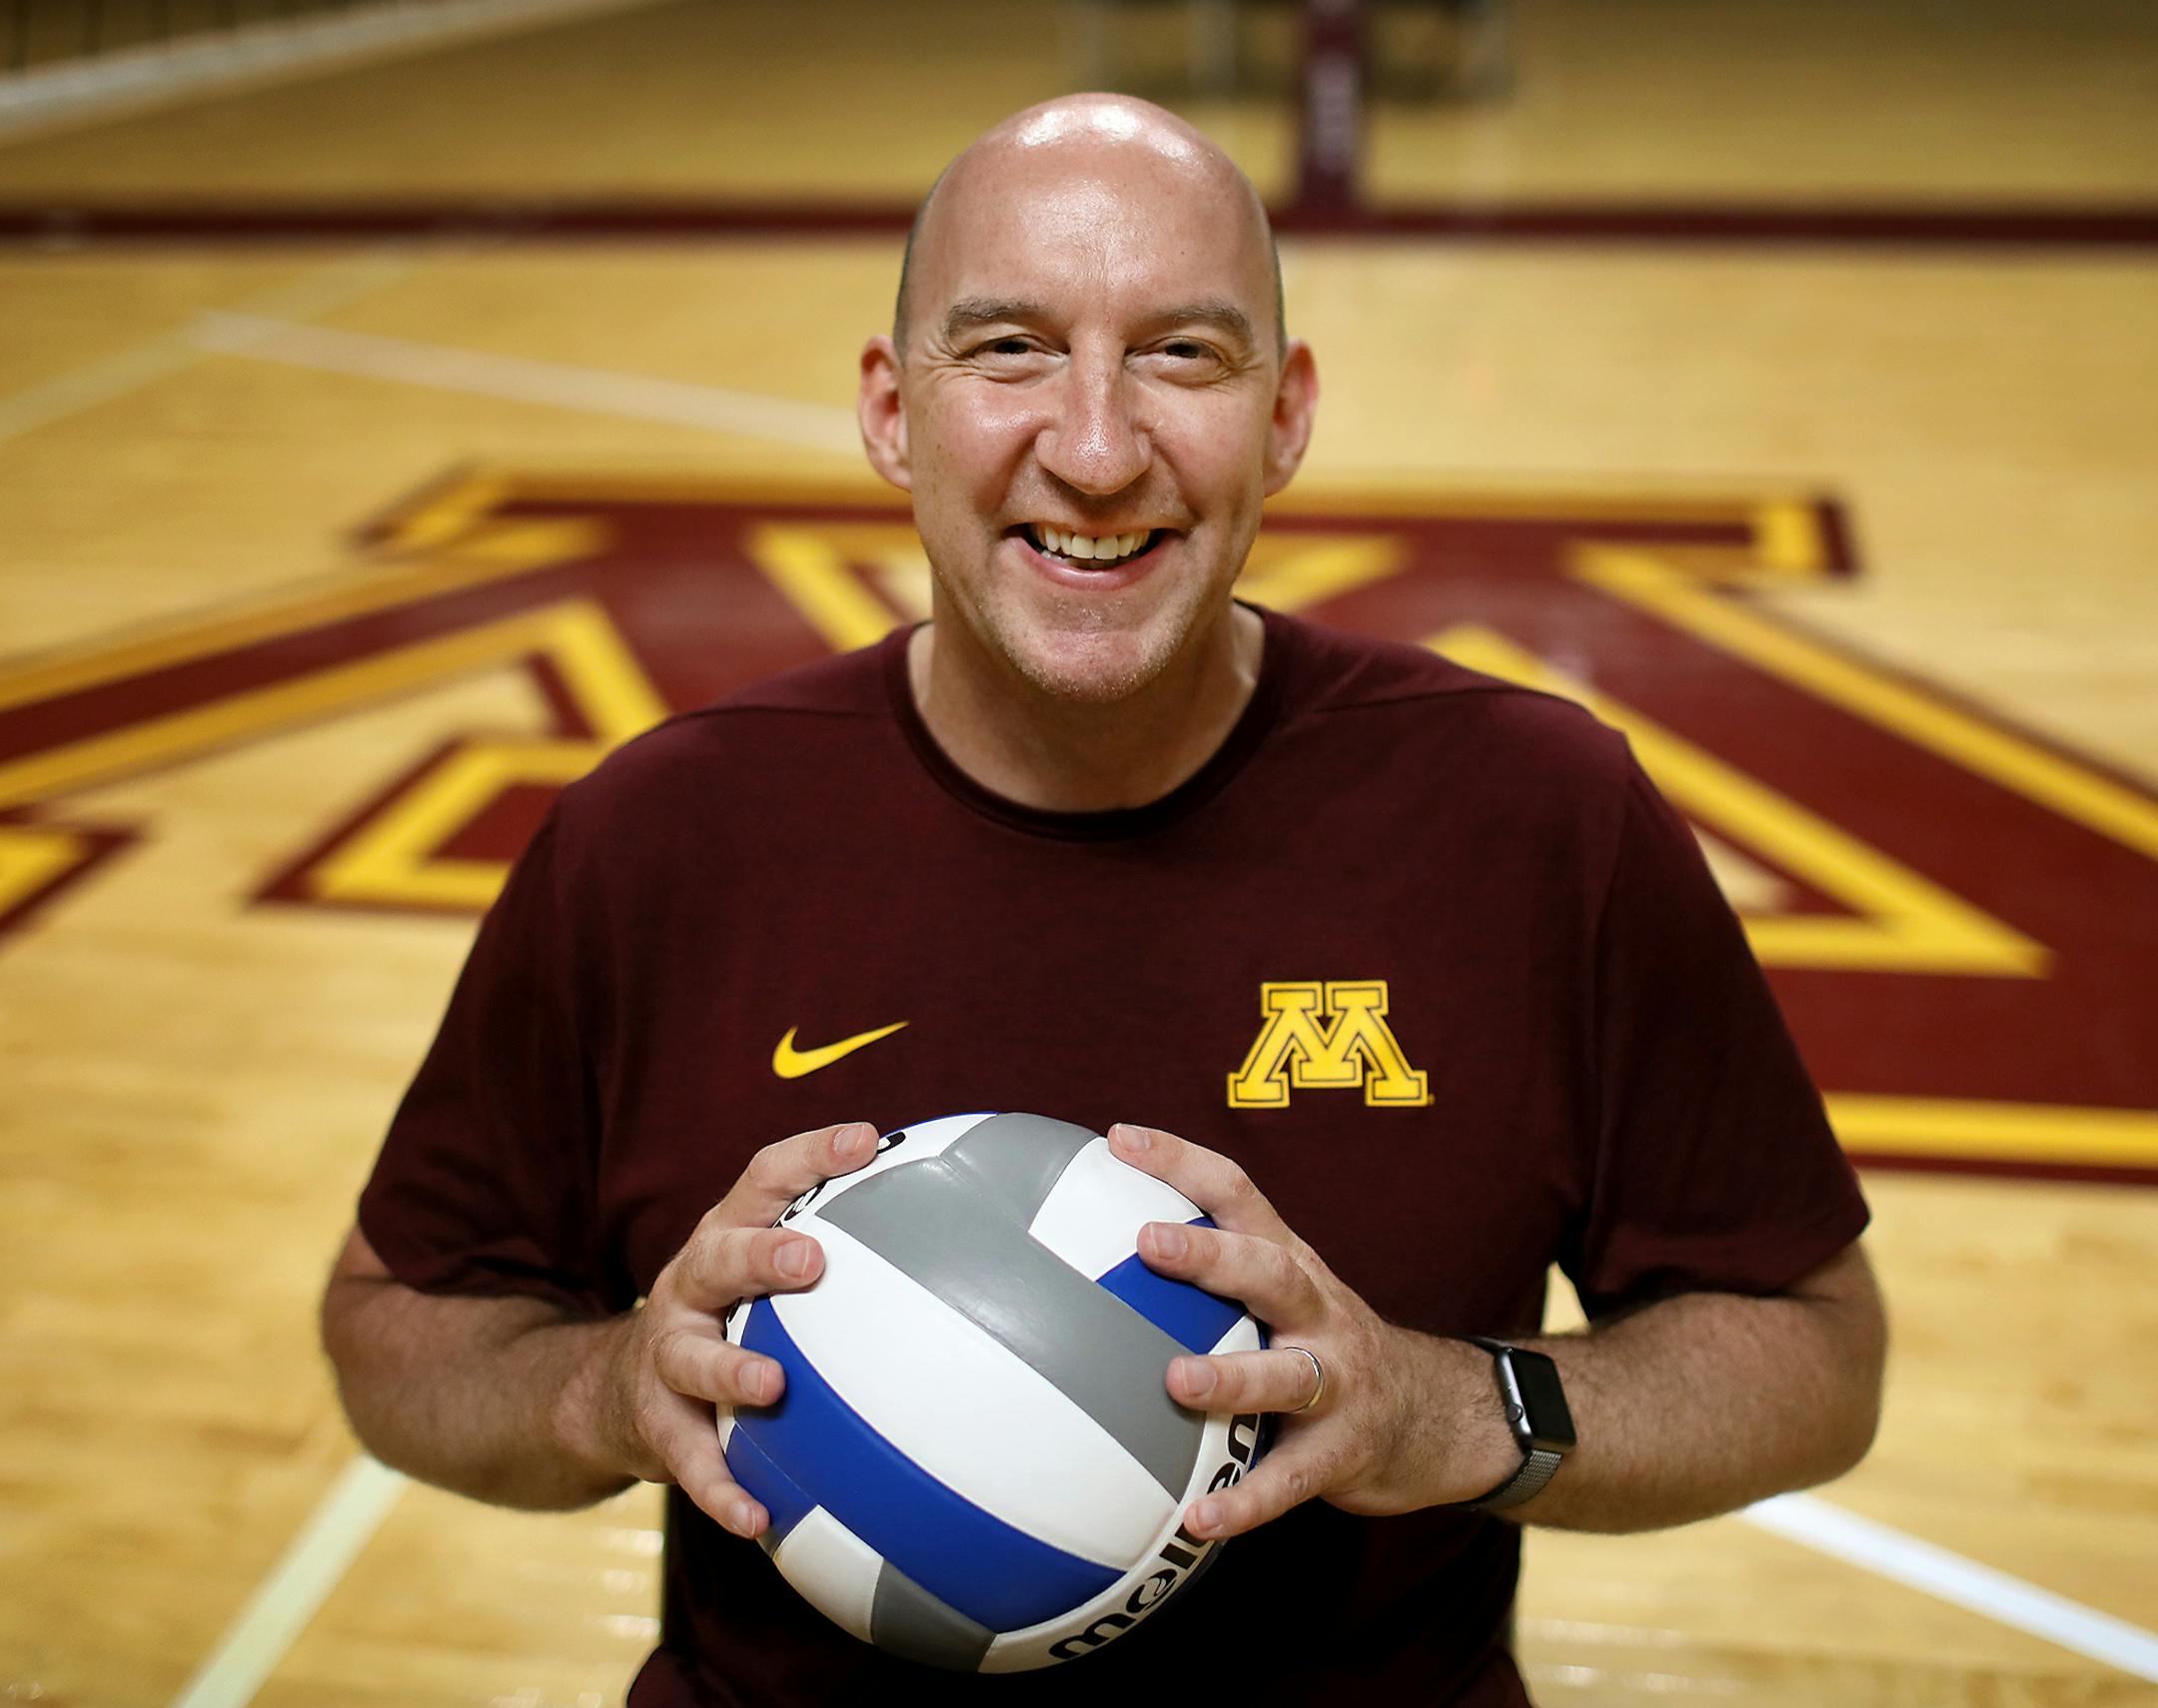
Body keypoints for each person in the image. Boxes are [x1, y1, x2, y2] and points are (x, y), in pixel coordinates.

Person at [322, 94, 1886, 1705]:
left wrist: (1442, 1412)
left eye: (1183, 355)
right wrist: (597, 1392)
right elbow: (396, 1330)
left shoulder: (1535, 817)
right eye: (1008, 347)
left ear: (1286, 415)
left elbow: (1817, 1356)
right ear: (887, 408)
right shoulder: (659, 838)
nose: (1093, 447)